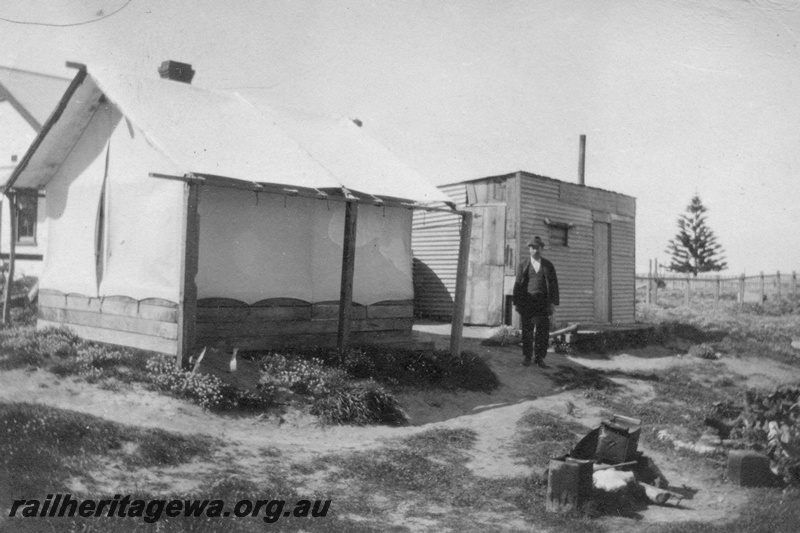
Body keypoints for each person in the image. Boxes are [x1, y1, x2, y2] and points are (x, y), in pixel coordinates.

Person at [512, 236, 559, 367]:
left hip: (543, 303)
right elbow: (517, 284)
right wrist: (517, 303)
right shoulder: (523, 265)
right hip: (528, 302)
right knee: (527, 330)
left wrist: (553, 303)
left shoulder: (548, 266)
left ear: (541, 249)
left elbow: (553, 285)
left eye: (537, 247)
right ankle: (527, 357)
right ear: (529, 250)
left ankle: (539, 358)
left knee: (542, 331)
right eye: (532, 248)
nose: (534, 250)